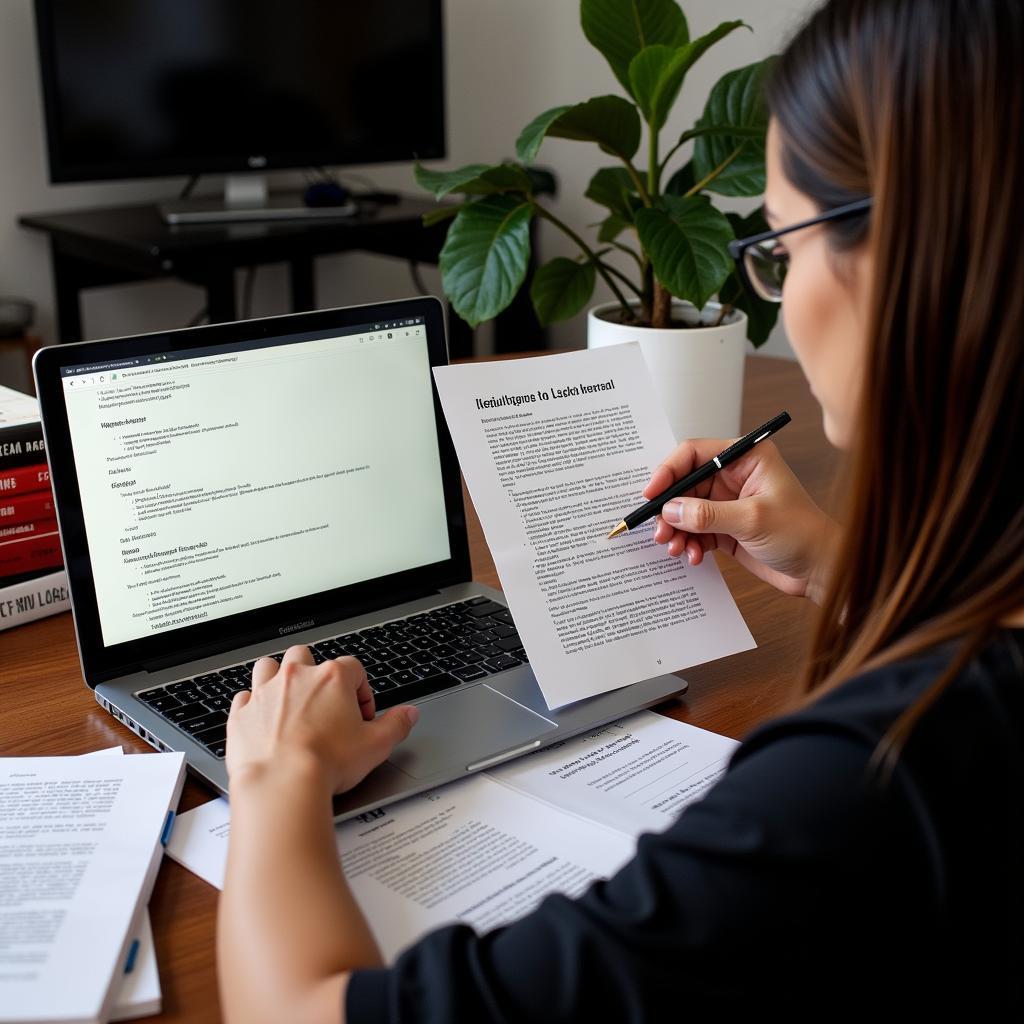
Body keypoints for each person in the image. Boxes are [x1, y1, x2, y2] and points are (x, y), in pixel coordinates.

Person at [216, 1, 1024, 1019]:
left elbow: (299, 1010)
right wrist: (838, 565)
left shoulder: (859, 788)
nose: (771, 287)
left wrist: (274, 777)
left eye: (776, 245)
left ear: (910, 255)